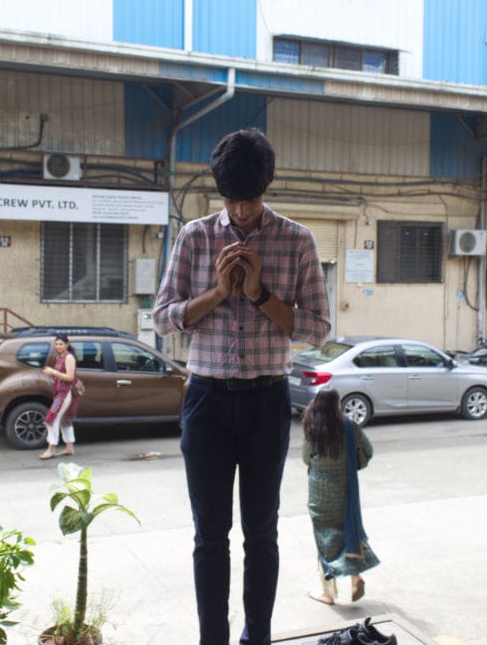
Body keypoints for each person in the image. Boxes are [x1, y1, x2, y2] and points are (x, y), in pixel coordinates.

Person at [153, 127, 331, 645]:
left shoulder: (297, 240)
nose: (241, 212)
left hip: (265, 400)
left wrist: (257, 294)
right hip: (206, 399)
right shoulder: (194, 236)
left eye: (249, 200)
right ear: (220, 192)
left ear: (265, 190)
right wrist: (216, 292)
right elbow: (162, 319)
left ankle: (258, 638)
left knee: (262, 535)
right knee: (210, 538)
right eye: (232, 200)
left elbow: (318, 329)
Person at [302, 387, 379, 606]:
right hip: (345, 490)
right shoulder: (349, 426)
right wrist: (353, 463)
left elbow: (307, 458)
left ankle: (327, 593)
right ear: (337, 404)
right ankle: (355, 577)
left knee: (325, 541)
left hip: (319, 494)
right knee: (349, 532)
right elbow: (368, 451)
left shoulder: (311, 427)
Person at [39, 335, 79, 459]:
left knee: (52, 419)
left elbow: (70, 377)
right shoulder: (59, 357)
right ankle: (69, 448)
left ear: (67, 344)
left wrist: (53, 372)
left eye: (61, 344)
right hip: (59, 392)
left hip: (64, 393)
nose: (58, 346)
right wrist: (52, 373)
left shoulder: (69, 357)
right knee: (65, 419)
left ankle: (51, 449)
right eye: (56, 344)